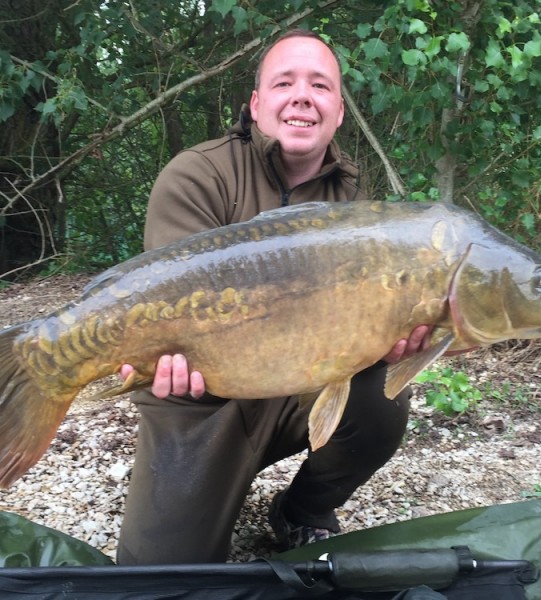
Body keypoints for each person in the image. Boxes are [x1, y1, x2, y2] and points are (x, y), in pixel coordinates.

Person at [116, 29, 433, 565]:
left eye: (321, 86)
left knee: (383, 398)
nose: (303, 95)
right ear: (257, 105)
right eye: (284, 82)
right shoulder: (197, 175)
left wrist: (394, 339)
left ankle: (302, 510)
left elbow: (356, 329)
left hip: (296, 389)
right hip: (201, 406)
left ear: (336, 114)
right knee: (159, 581)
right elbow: (163, 308)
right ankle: (206, 492)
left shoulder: (353, 205)